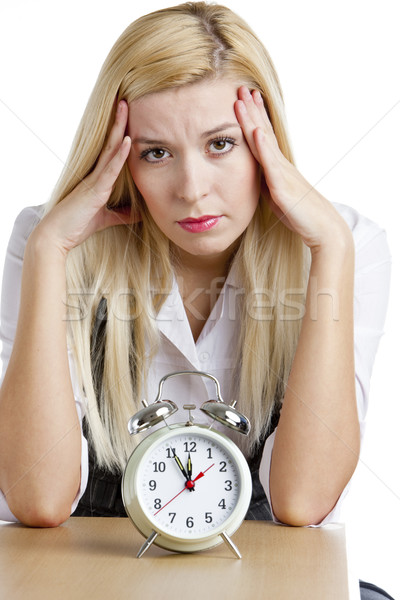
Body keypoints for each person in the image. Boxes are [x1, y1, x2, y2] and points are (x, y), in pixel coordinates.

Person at [0, 2, 393, 597]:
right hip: (91, 577)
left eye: (220, 144)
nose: (192, 190)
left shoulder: (346, 242)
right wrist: (51, 250)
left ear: (266, 143)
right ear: (122, 160)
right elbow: (38, 499)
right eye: (157, 152)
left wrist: (331, 250)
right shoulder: (51, 239)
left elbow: (303, 502)